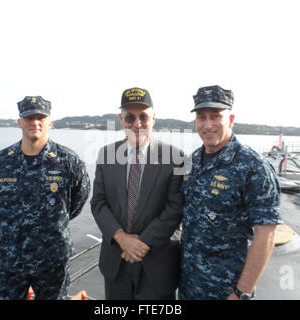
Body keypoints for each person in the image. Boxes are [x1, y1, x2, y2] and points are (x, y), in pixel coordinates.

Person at [179, 85, 283, 300]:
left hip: (225, 291)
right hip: (189, 285)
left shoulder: (254, 166)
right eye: (201, 117)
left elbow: (266, 235)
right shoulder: (193, 162)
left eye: (216, 116)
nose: (207, 125)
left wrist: (242, 292)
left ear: (231, 119)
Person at [0, 96, 90, 300]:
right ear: (19, 122)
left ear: (50, 122)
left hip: (52, 259)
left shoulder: (69, 162)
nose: (35, 122)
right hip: (11, 259)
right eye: (29, 117)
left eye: (41, 117)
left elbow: (75, 203)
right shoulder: (0, 162)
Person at [91, 87, 184, 300]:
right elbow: (98, 203)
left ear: (154, 118)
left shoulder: (176, 158)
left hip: (158, 264)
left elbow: (175, 208)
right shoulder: (106, 155)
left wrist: (140, 244)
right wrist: (121, 237)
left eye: (143, 116)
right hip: (116, 262)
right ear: (121, 119)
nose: (137, 124)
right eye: (130, 117)